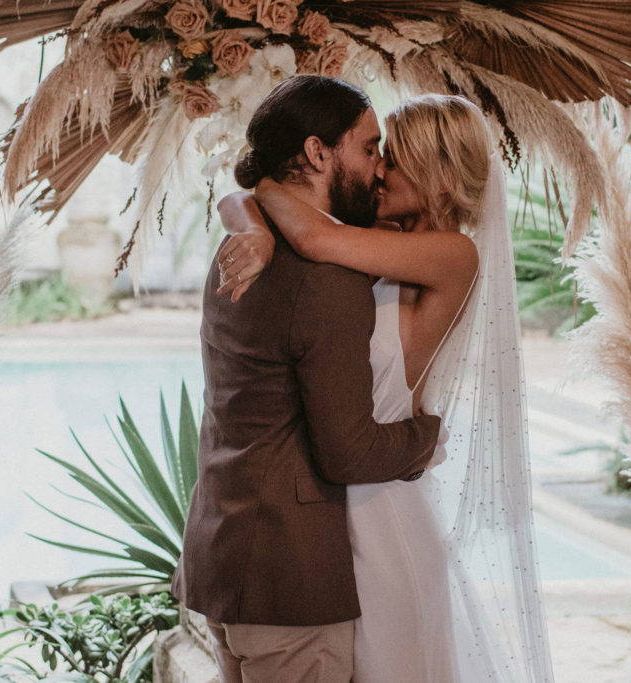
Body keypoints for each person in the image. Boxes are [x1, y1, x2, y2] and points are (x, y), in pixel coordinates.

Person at [217, 91, 554, 681]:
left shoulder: (453, 255)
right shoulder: (367, 234)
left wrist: (263, 195)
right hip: (323, 501)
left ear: (441, 178)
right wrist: (256, 221)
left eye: (393, 158)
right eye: (378, 152)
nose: (378, 168)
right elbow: (235, 200)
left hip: (380, 503)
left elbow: (312, 238)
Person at [170, 75, 446, 682]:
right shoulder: (325, 280)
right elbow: (349, 452)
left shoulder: (238, 250)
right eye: (370, 148)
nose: (378, 168)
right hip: (288, 583)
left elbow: (247, 198)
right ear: (320, 153)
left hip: (222, 553)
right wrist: (428, 435)